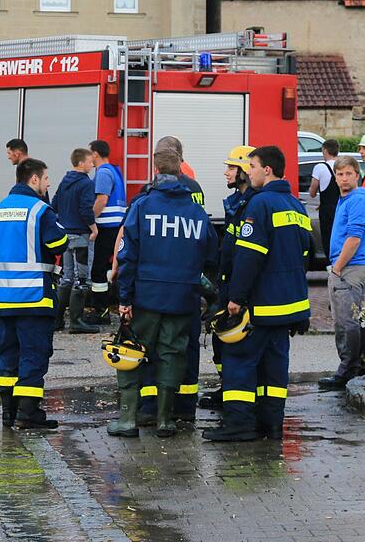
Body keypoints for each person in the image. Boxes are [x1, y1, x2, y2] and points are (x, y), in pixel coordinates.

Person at [203, 145, 311, 442]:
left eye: (251, 166)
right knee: (274, 370)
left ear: (267, 170)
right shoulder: (295, 205)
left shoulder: (260, 205)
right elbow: (304, 257)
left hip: (261, 306)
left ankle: (239, 424)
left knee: (239, 360)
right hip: (287, 308)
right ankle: (272, 424)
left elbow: (249, 257)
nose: (247, 171)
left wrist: (235, 298)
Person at [107, 150, 217, 439]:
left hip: (146, 297)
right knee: (172, 355)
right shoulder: (196, 213)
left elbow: (128, 257)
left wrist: (125, 300)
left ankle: (128, 420)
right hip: (182, 299)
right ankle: (166, 421)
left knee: (132, 353)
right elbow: (211, 255)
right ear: (180, 172)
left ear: (155, 170)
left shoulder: (143, 206)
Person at [0, 158, 69, 429]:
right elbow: (58, 243)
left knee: (8, 353)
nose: (48, 183)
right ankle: (28, 414)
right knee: (34, 353)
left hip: (4, 299)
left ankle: (8, 412)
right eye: (46, 178)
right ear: (33, 179)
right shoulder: (41, 210)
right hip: (34, 297)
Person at [199, 144, 256, 412]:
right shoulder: (238, 203)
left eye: (231, 167)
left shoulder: (253, 206)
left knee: (236, 344)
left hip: (239, 291)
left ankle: (238, 395)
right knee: (221, 341)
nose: (226, 172)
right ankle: (227, 387)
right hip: (228, 285)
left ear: (245, 171)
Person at [318, 156, 365, 391]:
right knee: (357, 320)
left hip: (350, 268)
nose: (344, 178)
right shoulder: (349, 199)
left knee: (346, 322)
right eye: (339, 174)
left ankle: (347, 370)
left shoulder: (358, 200)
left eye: (348, 174)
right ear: (334, 177)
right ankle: (362, 365)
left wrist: (337, 268)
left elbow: (354, 238)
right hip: (353, 267)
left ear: (357, 174)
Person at [52, 148, 99, 334]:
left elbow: (54, 205)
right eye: (89, 162)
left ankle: (57, 319)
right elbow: (86, 209)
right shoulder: (86, 183)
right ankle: (77, 321)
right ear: (81, 163)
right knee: (82, 279)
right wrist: (94, 229)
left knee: (66, 277)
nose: (92, 164)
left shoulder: (65, 181)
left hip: (66, 236)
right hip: (81, 236)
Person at [88, 139, 125, 326]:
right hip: (116, 227)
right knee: (112, 267)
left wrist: (88, 219)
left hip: (105, 227)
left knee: (98, 270)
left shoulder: (102, 173)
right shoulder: (115, 171)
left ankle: (101, 311)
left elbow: (102, 200)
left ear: (95, 154)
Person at [309, 139, 341, 260]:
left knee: (328, 240)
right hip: (341, 208)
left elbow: (312, 192)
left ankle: (332, 264)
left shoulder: (320, 167)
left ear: (325, 150)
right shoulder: (342, 166)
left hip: (327, 210)